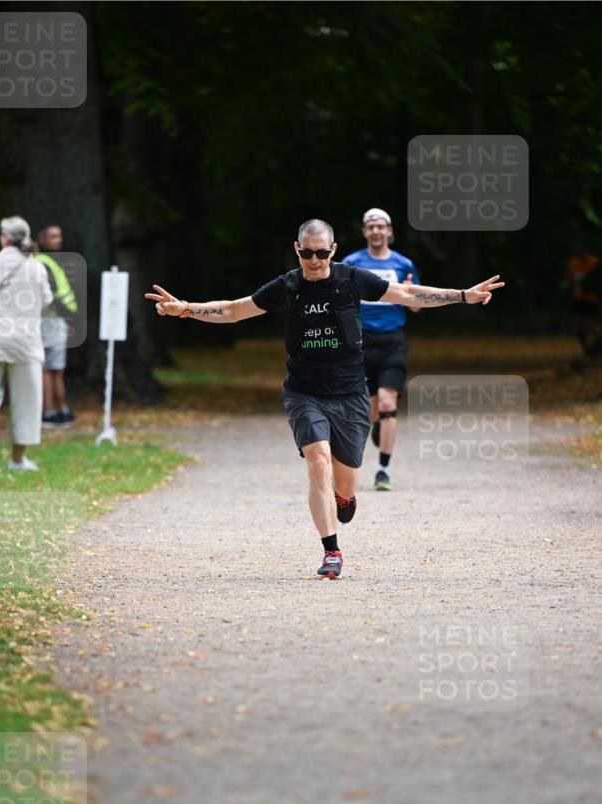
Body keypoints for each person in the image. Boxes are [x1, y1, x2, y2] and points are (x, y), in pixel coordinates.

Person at [145, 219, 504, 579]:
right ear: (296, 250)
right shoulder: (287, 286)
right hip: (304, 391)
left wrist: (461, 294)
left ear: (332, 250)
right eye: (306, 253)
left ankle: (345, 499)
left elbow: (407, 295)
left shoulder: (352, 279)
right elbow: (236, 309)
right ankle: (331, 550)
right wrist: (187, 308)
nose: (313, 260)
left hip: (350, 393)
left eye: (320, 253)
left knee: (344, 482)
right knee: (318, 462)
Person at [0, 216, 53, 473]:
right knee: (27, 400)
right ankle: (17, 460)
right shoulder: (35, 266)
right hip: (26, 341)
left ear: (4, 237)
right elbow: (46, 302)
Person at [342, 208, 420, 491]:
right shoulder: (351, 263)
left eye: (381, 226)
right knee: (369, 411)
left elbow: (415, 305)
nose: (376, 231)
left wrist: (411, 293)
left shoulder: (404, 264)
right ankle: (376, 425)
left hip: (392, 343)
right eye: (371, 227)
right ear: (365, 232)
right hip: (360, 344)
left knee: (388, 404)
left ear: (390, 232)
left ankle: (383, 470)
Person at [35, 224, 78, 427]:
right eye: (52, 236)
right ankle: (54, 411)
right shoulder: (42, 261)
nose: (57, 240)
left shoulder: (48, 260)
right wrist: (68, 314)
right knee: (50, 369)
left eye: (59, 236)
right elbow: (50, 294)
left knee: (52, 369)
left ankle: (55, 412)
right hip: (51, 319)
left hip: (54, 321)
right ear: (41, 239)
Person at [564, 241, 602, 362]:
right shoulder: (573, 263)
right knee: (580, 324)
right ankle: (587, 350)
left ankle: (598, 339)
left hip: (590, 298)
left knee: (585, 320)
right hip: (578, 297)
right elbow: (570, 279)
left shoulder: (594, 262)